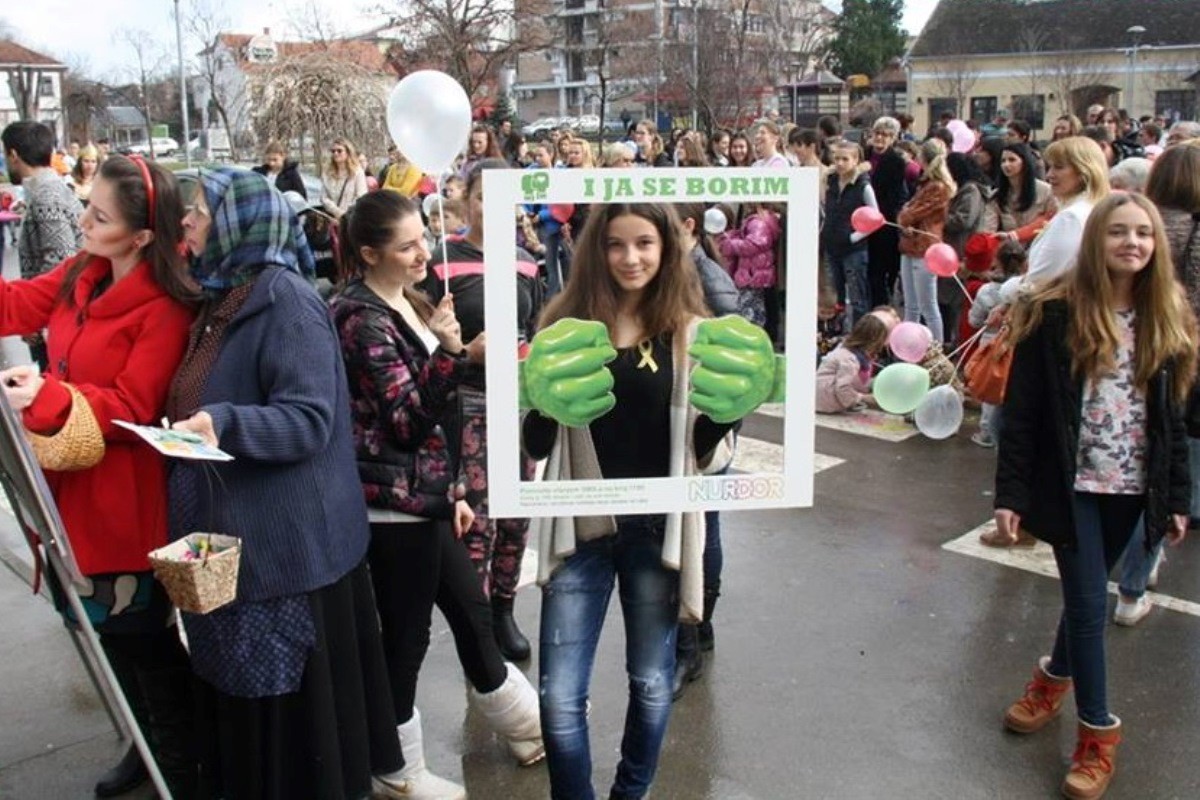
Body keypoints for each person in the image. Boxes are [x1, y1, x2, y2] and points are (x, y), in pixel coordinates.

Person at [170, 167, 405, 799]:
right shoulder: (221, 298)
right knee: (245, 704)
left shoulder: (285, 300)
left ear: (241, 224)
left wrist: (221, 423)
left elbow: (308, 420)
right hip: (238, 540)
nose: (187, 220)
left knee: (290, 728)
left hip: (285, 551)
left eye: (200, 210)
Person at [523, 202, 769, 800]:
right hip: (582, 528)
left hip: (657, 531)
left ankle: (630, 794)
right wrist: (544, 402)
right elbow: (532, 442)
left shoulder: (692, 331)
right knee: (558, 698)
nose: (630, 258)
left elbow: (708, 456)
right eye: (614, 244)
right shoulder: (564, 323)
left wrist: (726, 416)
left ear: (668, 248)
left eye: (644, 243)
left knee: (653, 683)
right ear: (594, 252)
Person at [331, 191, 544, 797]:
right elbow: (403, 420)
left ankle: (527, 728)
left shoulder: (406, 300)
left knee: (472, 615)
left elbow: (427, 418)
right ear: (370, 253)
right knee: (407, 637)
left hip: (424, 496)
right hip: (390, 506)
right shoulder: (359, 316)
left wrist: (450, 486)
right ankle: (396, 769)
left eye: (423, 235)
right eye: (406, 245)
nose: (423, 250)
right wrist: (456, 356)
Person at [0, 154, 197, 798]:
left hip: (124, 504)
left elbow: (135, 409)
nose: (82, 220)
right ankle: (142, 746)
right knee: (107, 644)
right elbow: (16, 304)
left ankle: (179, 765)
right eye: (89, 205)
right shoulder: (79, 275)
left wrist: (49, 396)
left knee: (142, 643)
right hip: (65, 492)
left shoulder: (164, 308)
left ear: (141, 237)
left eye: (99, 215)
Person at [995, 192, 1195, 800]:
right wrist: (1010, 494)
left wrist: (1178, 497)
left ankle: (1052, 679)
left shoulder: (1169, 314)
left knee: (1085, 601)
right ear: (1096, 241)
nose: (1132, 243)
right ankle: (1098, 735)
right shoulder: (1055, 313)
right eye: (1119, 233)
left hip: (1134, 488)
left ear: (1156, 245)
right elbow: (1022, 413)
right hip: (1072, 484)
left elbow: (1174, 420)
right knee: (1088, 607)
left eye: (1143, 233)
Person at [422, 160, 544, 662]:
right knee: (478, 523)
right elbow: (426, 340)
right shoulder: (442, 262)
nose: (490, 207)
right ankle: (477, 631)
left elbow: (534, 325)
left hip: (515, 401)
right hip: (466, 402)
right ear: (464, 199)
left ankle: (504, 612)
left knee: (516, 517)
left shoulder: (525, 262)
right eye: (480, 196)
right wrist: (458, 347)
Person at [1113, 140, 1200, 624]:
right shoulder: (1192, 229)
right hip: (1179, 358)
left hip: (1130, 357)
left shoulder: (1139, 223)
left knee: (1138, 464)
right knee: (1169, 468)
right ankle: (1136, 579)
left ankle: (1138, 567)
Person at [1026, 137, 1111, 284]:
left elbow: (1039, 280)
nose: (1049, 175)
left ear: (1084, 170)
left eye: (1059, 167)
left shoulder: (1071, 217)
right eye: (1050, 167)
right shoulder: (1093, 207)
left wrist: (1005, 293)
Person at [968, 238, 1026, 450]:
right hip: (1015, 344)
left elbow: (974, 320)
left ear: (997, 261)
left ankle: (986, 432)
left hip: (991, 343)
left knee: (990, 388)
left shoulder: (986, 291)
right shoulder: (1026, 288)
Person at [896, 139, 955, 342]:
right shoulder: (927, 184)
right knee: (912, 305)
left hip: (925, 248)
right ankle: (907, 346)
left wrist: (905, 214)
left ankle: (936, 351)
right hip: (912, 245)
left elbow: (908, 214)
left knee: (927, 306)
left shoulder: (937, 187)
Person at [822, 141, 878, 324]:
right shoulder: (830, 181)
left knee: (857, 296)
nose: (839, 163)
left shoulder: (863, 186)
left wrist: (854, 237)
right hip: (832, 245)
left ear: (855, 160)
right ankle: (838, 332)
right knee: (837, 295)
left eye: (845, 159)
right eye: (836, 158)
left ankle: (859, 335)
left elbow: (876, 217)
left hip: (853, 248)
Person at [867, 116, 911, 307]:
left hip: (885, 222)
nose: (880, 138)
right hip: (863, 219)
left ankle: (884, 306)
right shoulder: (864, 154)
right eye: (877, 133)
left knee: (883, 271)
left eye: (885, 135)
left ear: (893, 138)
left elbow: (897, 194)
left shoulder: (896, 161)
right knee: (869, 271)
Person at [718, 202, 781, 328]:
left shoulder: (758, 222)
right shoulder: (761, 220)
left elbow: (753, 245)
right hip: (755, 272)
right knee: (754, 307)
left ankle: (748, 333)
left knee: (748, 308)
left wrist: (728, 245)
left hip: (751, 274)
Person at [815, 313, 888, 413]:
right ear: (873, 341)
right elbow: (842, 388)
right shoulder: (850, 359)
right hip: (825, 402)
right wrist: (863, 398)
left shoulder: (845, 348)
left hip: (819, 397)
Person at [984, 142, 1054, 244]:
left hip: (1039, 245)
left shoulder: (1046, 190)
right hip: (1010, 250)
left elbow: (1050, 219)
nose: (1006, 164)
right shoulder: (997, 195)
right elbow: (988, 229)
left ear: (1025, 162)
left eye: (1012, 160)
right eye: (1003, 161)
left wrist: (1015, 234)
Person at [321, 137, 368, 219]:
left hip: (351, 218)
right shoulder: (327, 173)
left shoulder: (357, 172)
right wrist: (336, 211)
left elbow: (361, 196)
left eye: (339, 151)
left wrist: (345, 214)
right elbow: (324, 197)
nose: (335, 153)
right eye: (333, 151)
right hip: (332, 218)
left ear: (348, 152)